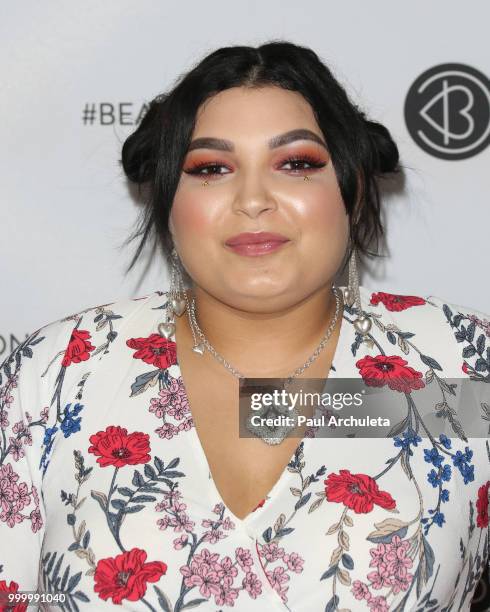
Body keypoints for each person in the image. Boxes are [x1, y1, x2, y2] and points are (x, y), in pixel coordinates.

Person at [0, 41, 488, 612]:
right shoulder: (57, 373)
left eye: (297, 164)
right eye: (211, 168)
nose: (253, 199)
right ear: (167, 201)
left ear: (351, 189)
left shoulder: (457, 361)